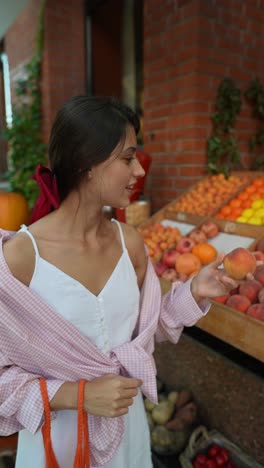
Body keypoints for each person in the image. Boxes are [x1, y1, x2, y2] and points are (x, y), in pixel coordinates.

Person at [0, 96, 239, 468]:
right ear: (86, 163)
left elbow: (146, 328)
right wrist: (77, 395)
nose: (139, 171)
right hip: (56, 445)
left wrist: (194, 290)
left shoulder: (130, 243)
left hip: (129, 432)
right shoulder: (20, 259)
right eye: (127, 158)